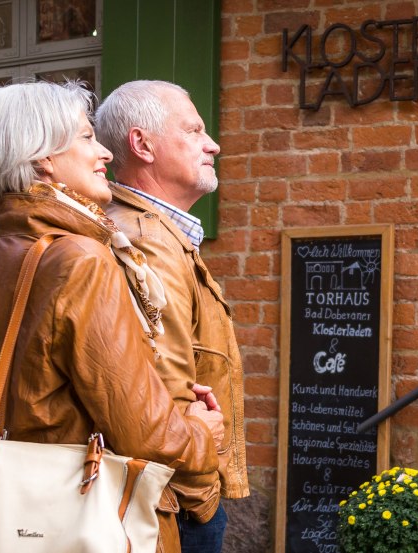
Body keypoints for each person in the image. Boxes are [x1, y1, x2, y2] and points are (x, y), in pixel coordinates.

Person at [0, 80, 224, 553]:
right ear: (43, 159)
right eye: (86, 137)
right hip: (83, 514)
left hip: (12, 515)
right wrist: (202, 433)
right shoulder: (80, 259)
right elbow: (145, 432)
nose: (106, 154)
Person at [96, 80, 249, 553]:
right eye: (194, 130)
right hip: (175, 504)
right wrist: (198, 502)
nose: (213, 144)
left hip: (177, 496)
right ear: (142, 145)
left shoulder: (162, 233)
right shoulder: (144, 240)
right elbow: (163, 394)